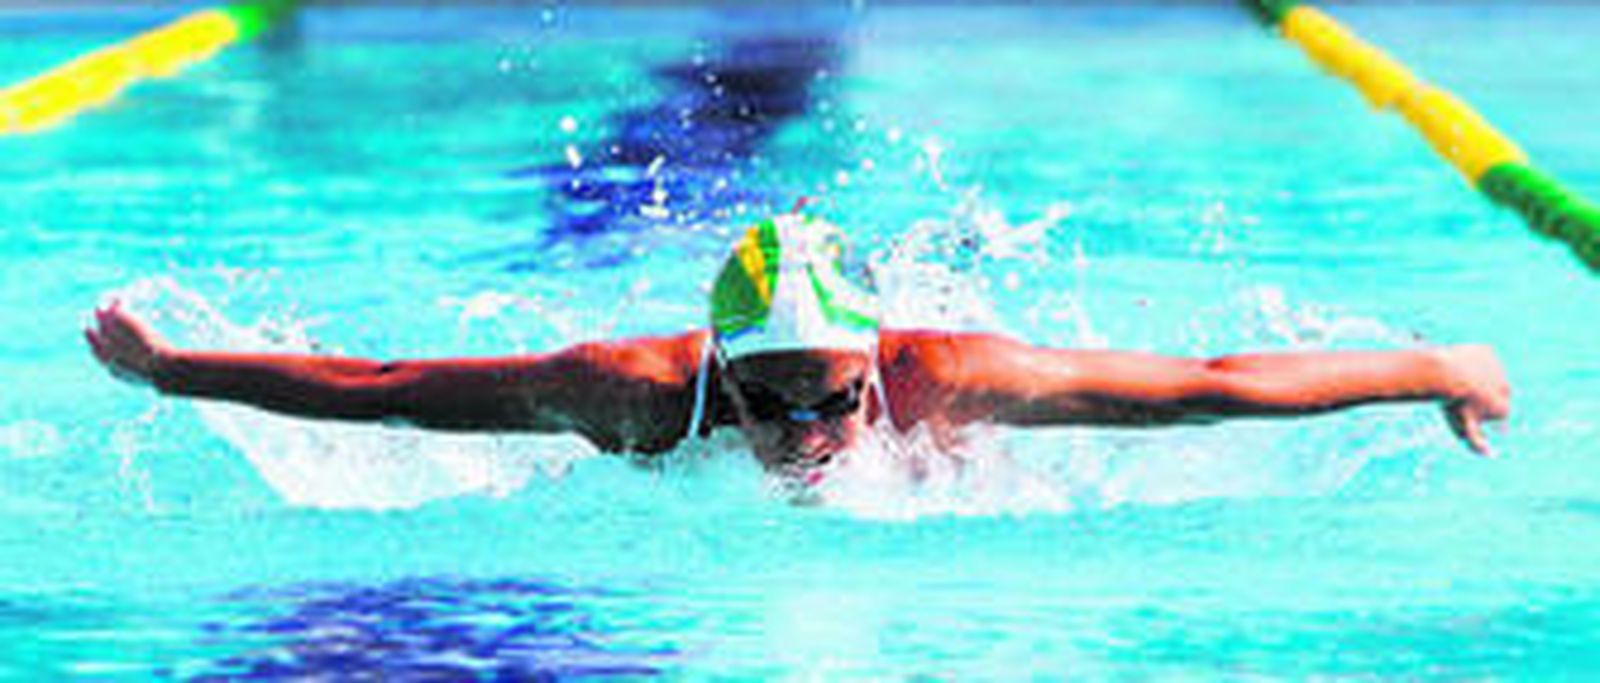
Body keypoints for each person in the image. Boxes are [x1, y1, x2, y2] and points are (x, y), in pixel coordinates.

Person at [87, 215, 1510, 481]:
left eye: (825, 397)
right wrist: (176, 373)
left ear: (868, 358)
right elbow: (391, 395)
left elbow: (1208, 394)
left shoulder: (943, 378)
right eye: (762, 400)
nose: (803, 437)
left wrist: (1441, 364)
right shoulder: (635, 395)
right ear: (718, 365)